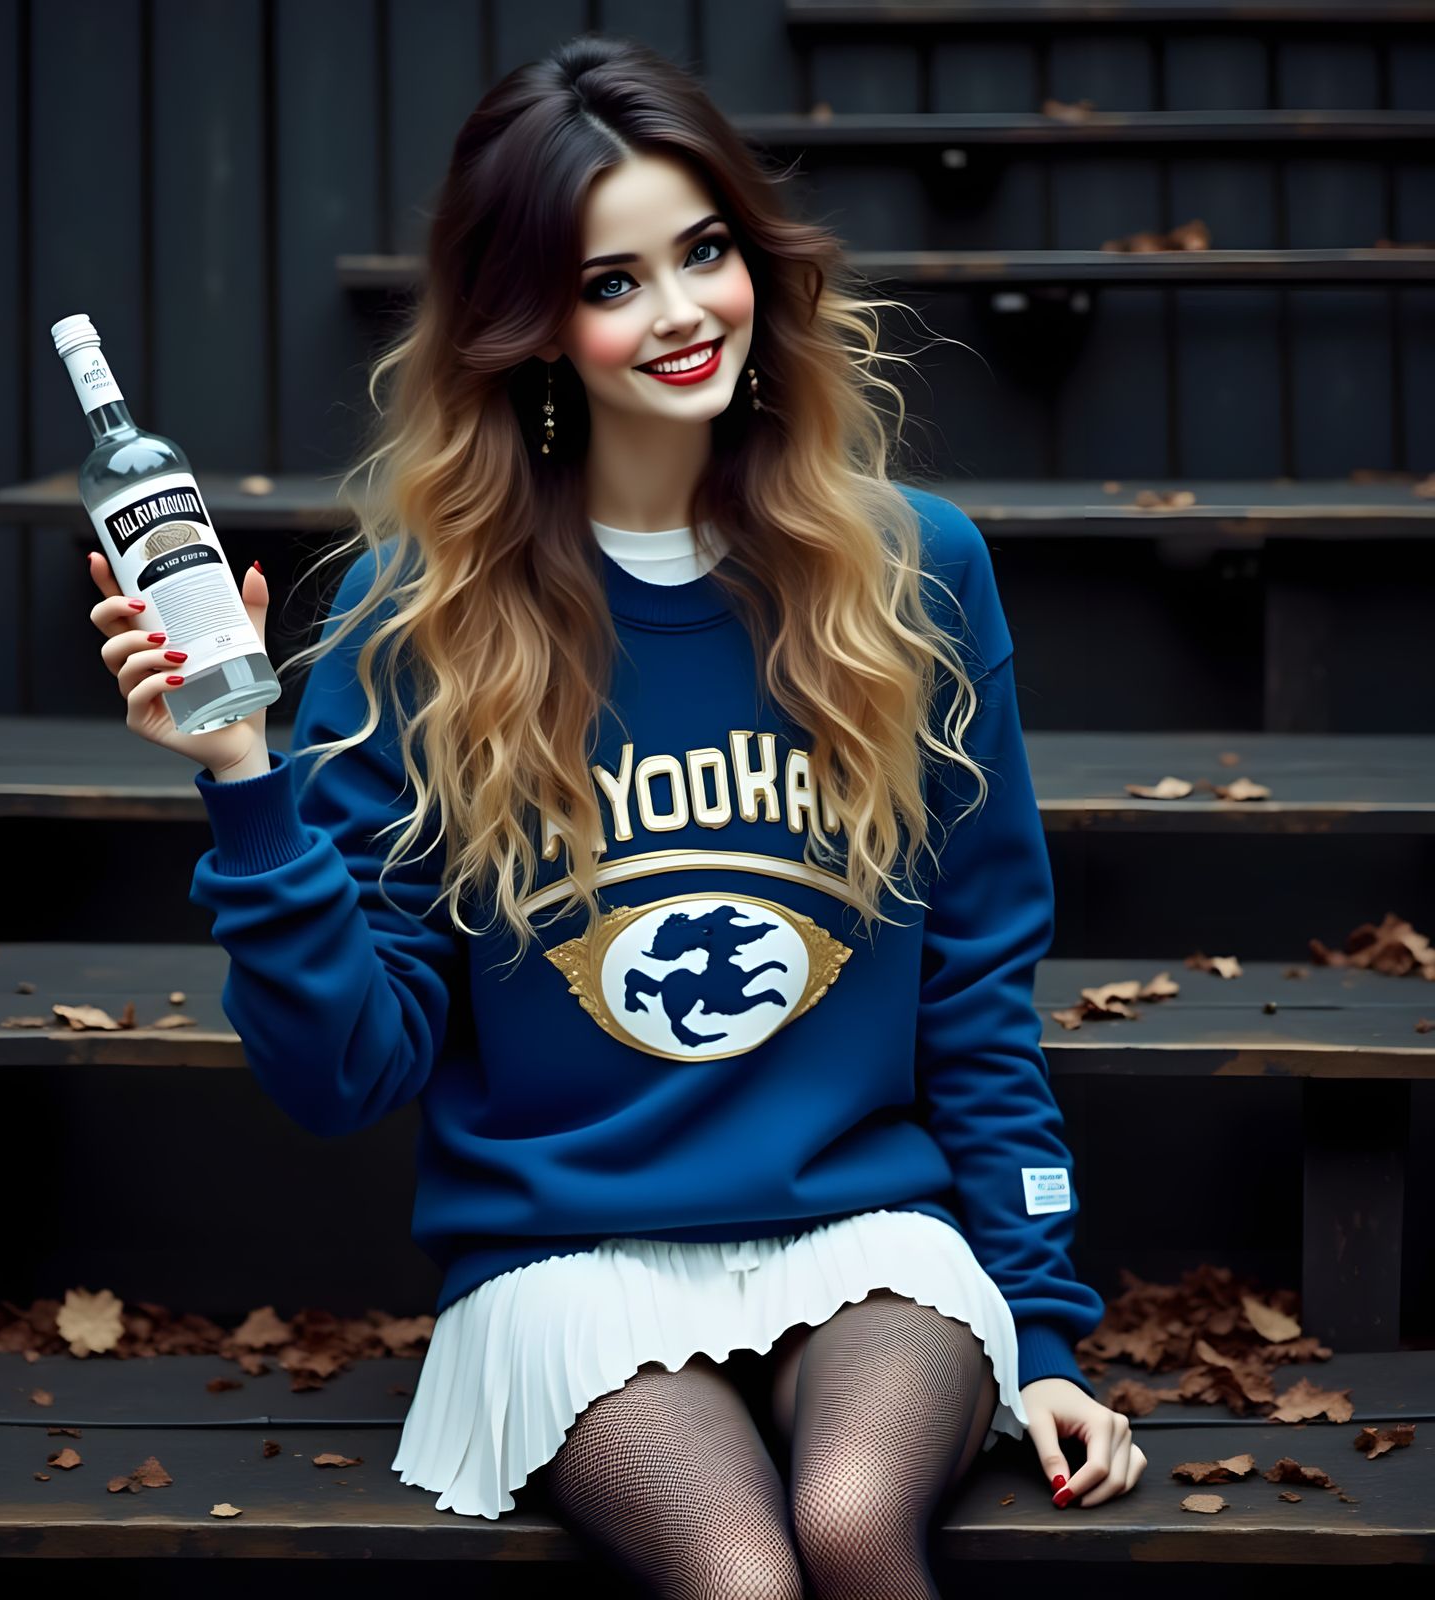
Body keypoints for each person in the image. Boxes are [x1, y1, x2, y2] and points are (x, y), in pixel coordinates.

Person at [88, 32, 1145, 1599]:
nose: (679, 313)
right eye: (610, 282)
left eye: (703, 252)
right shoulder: (417, 619)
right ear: (528, 329)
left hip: (864, 1232)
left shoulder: (909, 570)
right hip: (565, 1256)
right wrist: (244, 779)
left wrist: (1043, 1328)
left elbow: (978, 988)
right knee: (739, 1575)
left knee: (858, 1523)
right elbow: (344, 1070)